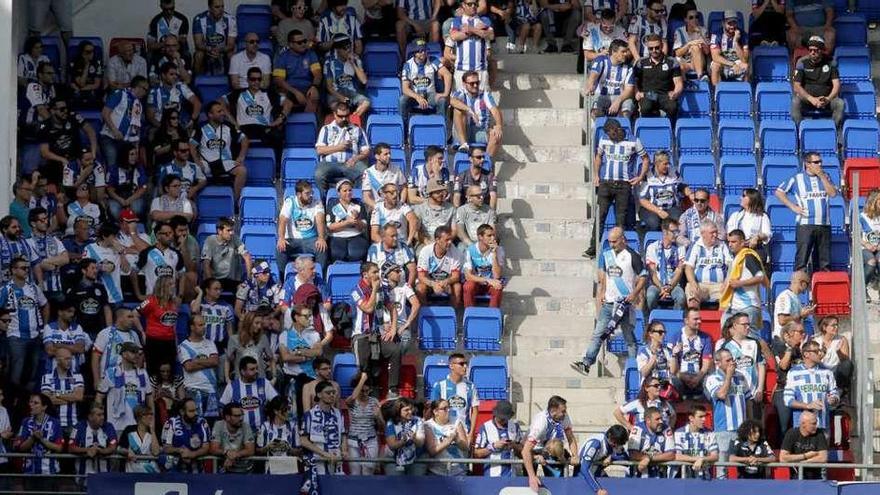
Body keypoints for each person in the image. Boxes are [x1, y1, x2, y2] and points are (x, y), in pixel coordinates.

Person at [573, 227, 646, 375]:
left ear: (622, 239)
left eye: (614, 241)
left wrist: (634, 293)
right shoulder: (607, 255)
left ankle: (635, 367)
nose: (611, 244)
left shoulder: (633, 255)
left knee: (628, 337)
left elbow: (643, 276)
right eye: (610, 241)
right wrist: (602, 292)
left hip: (624, 304)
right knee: (598, 334)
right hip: (609, 303)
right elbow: (605, 276)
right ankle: (586, 363)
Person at [585, 119, 648, 258]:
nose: (610, 136)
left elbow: (645, 159)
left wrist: (640, 177)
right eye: (608, 133)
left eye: (611, 132)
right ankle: (593, 248)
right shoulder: (604, 139)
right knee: (600, 216)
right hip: (606, 183)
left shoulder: (633, 140)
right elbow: (598, 156)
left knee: (621, 220)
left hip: (624, 185)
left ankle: (619, 250)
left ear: (617, 129)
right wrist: (596, 175)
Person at [775, 151, 838, 272]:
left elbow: (833, 193)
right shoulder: (797, 178)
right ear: (807, 164)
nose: (819, 164)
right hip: (805, 224)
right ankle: (799, 288)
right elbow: (779, 192)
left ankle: (821, 288)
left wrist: (822, 177)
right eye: (816, 162)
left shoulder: (826, 176)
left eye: (820, 162)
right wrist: (793, 207)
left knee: (824, 263)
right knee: (801, 261)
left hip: (824, 224)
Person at [0, 256, 49, 396]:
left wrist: (44, 326)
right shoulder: (6, 289)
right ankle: (12, 401)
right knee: (16, 371)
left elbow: (45, 304)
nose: (26, 270)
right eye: (23, 268)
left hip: (35, 336)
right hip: (15, 336)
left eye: (27, 268)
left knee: (32, 372)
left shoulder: (33, 288)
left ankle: (27, 403)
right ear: (13, 270)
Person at [350, 262, 402, 394]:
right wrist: (374, 289)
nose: (377, 274)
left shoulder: (382, 288)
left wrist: (393, 328)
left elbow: (392, 308)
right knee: (364, 369)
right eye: (374, 272)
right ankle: (364, 394)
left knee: (395, 350)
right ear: (365, 274)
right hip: (361, 335)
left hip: (377, 333)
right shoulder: (356, 290)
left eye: (378, 271)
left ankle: (392, 389)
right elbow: (368, 308)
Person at [189, 101, 250, 204]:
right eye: (219, 111)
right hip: (206, 164)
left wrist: (241, 156)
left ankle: (234, 203)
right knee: (192, 171)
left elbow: (245, 140)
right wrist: (197, 162)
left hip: (225, 162)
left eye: (222, 111)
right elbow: (191, 146)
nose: (223, 113)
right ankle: (194, 204)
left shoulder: (229, 126)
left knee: (242, 171)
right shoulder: (200, 128)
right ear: (210, 114)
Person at [705, 348, 752, 479]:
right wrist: (729, 376)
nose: (732, 362)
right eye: (728, 360)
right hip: (724, 429)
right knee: (722, 469)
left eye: (732, 359)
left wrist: (749, 424)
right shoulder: (712, 378)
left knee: (745, 467)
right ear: (718, 362)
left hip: (742, 430)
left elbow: (748, 401)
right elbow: (721, 394)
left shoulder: (741, 376)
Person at [224, 67, 291, 151]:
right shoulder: (238, 93)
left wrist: (279, 119)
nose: (256, 82)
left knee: (278, 136)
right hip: (243, 128)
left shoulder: (269, 93)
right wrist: (233, 122)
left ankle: (276, 163)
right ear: (247, 80)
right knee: (228, 135)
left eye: (259, 79)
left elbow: (288, 103)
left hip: (263, 128)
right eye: (253, 79)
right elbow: (220, 102)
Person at [314, 102, 372, 196]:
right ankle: (324, 202)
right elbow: (320, 150)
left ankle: (356, 201)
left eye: (346, 116)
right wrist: (339, 147)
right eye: (340, 116)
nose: (344, 119)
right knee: (318, 175)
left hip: (350, 162)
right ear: (334, 114)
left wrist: (355, 158)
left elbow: (366, 150)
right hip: (329, 163)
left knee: (364, 173)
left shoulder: (357, 129)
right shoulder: (326, 129)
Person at [279, 303, 327, 416]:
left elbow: (318, 352)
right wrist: (308, 356)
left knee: (312, 413)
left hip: (311, 378)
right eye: (306, 316)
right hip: (292, 378)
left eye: (310, 316)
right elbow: (285, 357)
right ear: (296, 317)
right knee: (293, 414)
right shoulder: (285, 335)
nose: (310, 319)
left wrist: (297, 352)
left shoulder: (314, 335)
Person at [96, 341, 153, 435]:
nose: (136, 355)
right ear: (124, 354)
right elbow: (99, 396)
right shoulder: (111, 373)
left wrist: (151, 421)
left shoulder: (143, 374)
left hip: (138, 426)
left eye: (137, 352)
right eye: (133, 352)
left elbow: (149, 399)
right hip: (116, 426)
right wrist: (98, 417)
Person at [38, 99, 98, 186]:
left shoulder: (73, 116)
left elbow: (90, 131)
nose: (65, 111)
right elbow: (44, 152)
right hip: (57, 161)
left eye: (67, 108)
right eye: (62, 109)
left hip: (77, 157)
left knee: (91, 164)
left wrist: (93, 153)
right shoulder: (45, 126)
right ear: (52, 111)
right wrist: (62, 160)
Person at [784, 339, 839, 433]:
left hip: (822, 425)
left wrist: (834, 399)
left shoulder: (827, 372)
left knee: (823, 447)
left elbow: (834, 393)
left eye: (821, 351)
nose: (820, 354)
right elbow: (788, 400)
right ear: (806, 354)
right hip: (801, 426)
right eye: (817, 351)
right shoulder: (794, 372)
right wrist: (808, 406)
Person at [276, 180, 329, 273]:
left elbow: (320, 220)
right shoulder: (290, 201)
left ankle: (319, 277)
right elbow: (282, 220)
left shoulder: (317, 202)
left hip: (311, 239)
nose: (310, 196)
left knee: (322, 248)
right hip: (292, 240)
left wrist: (321, 238)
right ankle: (281, 278)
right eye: (307, 193)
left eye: (311, 192)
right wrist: (281, 238)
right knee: (280, 249)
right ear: (299, 194)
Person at [720, 229, 768, 332]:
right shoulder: (735, 258)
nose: (730, 245)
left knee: (750, 338)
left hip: (748, 306)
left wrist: (739, 283)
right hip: (733, 307)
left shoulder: (748, 256)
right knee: (726, 335)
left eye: (734, 242)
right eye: (729, 242)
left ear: (742, 243)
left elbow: (760, 277)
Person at [791, 36, 843, 127]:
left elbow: (836, 85)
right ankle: (800, 130)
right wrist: (811, 99)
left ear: (821, 50)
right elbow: (796, 86)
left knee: (840, 103)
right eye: (810, 50)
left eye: (816, 50)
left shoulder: (831, 63)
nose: (812, 53)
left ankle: (833, 130)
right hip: (807, 99)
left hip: (825, 100)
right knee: (795, 102)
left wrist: (828, 99)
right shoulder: (802, 62)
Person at [99, 77, 149, 170]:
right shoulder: (120, 94)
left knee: (126, 167)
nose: (145, 93)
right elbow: (105, 113)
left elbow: (136, 127)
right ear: (138, 87)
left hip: (125, 141)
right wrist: (114, 130)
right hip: (109, 137)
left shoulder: (139, 105)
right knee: (112, 164)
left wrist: (136, 147)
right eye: (145, 89)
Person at [300, 381, 348, 475]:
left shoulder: (338, 414)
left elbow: (343, 435)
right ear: (319, 394)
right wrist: (324, 453)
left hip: (336, 460)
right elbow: (303, 441)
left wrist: (344, 450)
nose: (332, 395)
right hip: (318, 461)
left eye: (333, 393)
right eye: (328, 393)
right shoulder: (309, 415)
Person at [450, 71, 503, 157]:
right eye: (471, 83)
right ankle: (464, 145)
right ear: (464, 84)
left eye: (477, 83)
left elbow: (495, 110)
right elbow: (451, 101)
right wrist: (469, 110)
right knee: (458, 110)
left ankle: (486, 163)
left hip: (480, 130)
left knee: (496, 134)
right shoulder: (461, 93)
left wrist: (499, 126)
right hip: (464, 131)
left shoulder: (484, 94)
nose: (475, 85)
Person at [221, 356, 278, 432]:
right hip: (240, 432)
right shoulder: (232, 387)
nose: (256, 371)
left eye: (256, 368)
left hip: (261, 430)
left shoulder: (264, 383)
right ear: (243, 371)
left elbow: (277, 403)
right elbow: (222, 408)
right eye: (252, 369)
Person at [684, 219, 733, 309]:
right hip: (700, 285)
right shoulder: (696, 245)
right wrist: (693, 283)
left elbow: (731, 265)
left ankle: (722, 322)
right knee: (691, 291)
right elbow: (688, 268)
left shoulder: (722, 245)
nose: (715, 235)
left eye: (716, 232)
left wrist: (727, 281)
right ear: (703, 234)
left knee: (728, 296)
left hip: (720, 285)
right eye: (712, 232)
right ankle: (694, 320)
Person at [399, 38, 451, 122]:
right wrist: (418, 97)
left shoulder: (433, 60)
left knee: (442, 101)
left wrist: (445, 93)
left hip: (431, 95)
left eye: (425, 50)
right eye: (420, 51)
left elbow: (447, 75)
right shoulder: (408, 65)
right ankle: (404, 130)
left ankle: (441, 128)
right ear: (414, 53)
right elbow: (405, 89)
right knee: (402, 100)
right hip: (415, 97)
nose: (423, 53)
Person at [136, 275, 180, 375]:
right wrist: (142, 332)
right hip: (154, 342)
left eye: (174, 284)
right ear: (162, 286)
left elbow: (173, 325)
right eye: (170, 284)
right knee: (153, 373)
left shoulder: (174, 303)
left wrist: (176, 343)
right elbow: (134, 314)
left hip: (170, 342)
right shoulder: (151, 301)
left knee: (170, 373)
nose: (173, 286)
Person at [179, 315, 220, 420]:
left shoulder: (210, 343)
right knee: (196, 421)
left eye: (204, 324)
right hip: (194, 389)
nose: (204, 327)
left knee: (211, 423)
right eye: (200, 325)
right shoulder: (183, 346)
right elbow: (188, 367)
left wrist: (196, 361)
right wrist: (207, 361)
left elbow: (215, 362)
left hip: (211, 390)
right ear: (192, 327)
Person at [634, 34, 684, 119]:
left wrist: (675, 93)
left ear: (662, 46)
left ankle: (670, 129)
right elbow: (634, 81)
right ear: (647, 48)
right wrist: (637, 93)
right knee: (645, 108)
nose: (654, 50)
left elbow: (679, 83)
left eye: (657, 47)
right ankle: (656, 119)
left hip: (665, 95)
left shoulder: (672, 62)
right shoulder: (641, 62)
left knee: (673, 108)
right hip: (648, 95)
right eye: (651, 48)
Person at [272, 30, 322, 114]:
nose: (303, 44)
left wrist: (314, 86)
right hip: (289, 90)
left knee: (314, 95)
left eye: (304, 41)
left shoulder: (311, 54)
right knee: (282, 98)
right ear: (291, 44)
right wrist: (296, 93)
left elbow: (318, 74)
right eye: (299, 42)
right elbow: (279, 80)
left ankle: (308, 122)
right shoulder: (283, 57)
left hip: (307, 88)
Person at [14, 393, 63, 476]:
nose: (31, 405)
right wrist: (32, 438)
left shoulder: (55, 423)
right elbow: (20, 447)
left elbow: (59, 448)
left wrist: (41, 439)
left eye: (35, 403)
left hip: (49, 471)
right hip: (28, 471)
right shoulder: (25, 422)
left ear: (44, 407)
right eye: (30, 402)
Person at [585, 39, 635, 119]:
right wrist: (590, 86)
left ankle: (622, 128)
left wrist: (618, 101)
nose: (626, 54)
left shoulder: (628, 67)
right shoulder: (601, 60)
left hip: (619, 96)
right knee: (596, 110)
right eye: (623, 51)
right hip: (602, 95)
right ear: (614, 52)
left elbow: (629, 90)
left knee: (628, 105)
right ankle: (599, 128)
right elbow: (593, 75)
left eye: (626, 51)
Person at [639, 151, 689, 231]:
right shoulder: (648, 176)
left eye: (668, 163)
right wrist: (659, 211)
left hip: (672, 207)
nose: (668, 166)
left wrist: (690, 194)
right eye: (665, 164)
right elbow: (643, 200)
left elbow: (682, 186)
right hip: (653, 208)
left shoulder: (673, 172)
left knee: (677, 221)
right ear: (657, 163)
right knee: (653, 223)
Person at [771, 321, 806, 437]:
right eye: (800, 332)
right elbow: (783, 365)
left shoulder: (800, 349)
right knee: (784, 427)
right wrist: (790, 348)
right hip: (784, 389)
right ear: (788, 334)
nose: (803, 335)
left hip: (800, 390)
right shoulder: (779, 345)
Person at [449, 0, 494, 89]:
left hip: (480, 69)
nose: (473, 6)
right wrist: (478, 31)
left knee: (482, 101)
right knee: (461, 100)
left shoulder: (484, 20)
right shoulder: (457, 20)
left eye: (475, 4)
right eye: (470, 4)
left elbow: (491, 35)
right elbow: (454, 36)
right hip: (462, 69)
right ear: (463, 5)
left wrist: (470, 29)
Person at [91, 308, 143, 385]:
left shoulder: (134, 335)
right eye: (129, 317)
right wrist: (96, 379)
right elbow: (95, 357)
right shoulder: (106, 333)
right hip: (108, 379)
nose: (133, 320)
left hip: (128, 380)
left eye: (133, 317)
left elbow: (140, 355)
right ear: (120, 318)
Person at [324, 34, 371, 117]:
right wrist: (342, 98)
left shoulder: (356, 60)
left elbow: (364, 81)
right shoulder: (329, 62)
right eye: (345, 48)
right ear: (337, 49)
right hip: (336, 93)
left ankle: (353, 119)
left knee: (366, 103)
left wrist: (353, 63)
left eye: (349, 47)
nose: (348, 50)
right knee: (337, 107)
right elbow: (329, 87)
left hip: (353, 93)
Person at [572, 424, 629, 494]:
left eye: (619, 444)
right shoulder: (596, 443)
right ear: (610, 436)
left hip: (596, 475)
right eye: (615, 443)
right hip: (583, 478)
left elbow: (626, 457)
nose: (616, 446)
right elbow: (584, 468)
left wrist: (612, 457)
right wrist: (597, 489)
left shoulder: (614, 443)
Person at [28, 208, 69, 303]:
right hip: (36, 289)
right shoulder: (27, 242)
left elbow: (66, 259)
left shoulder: (55, 239)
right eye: (42, 220)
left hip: (56, 289)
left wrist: (44, 261)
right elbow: (34, 265)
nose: (46, 222)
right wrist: (54, 262)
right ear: (33, 223)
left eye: (47, 219)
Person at [644, 218, 685, 312]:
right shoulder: (652, 247)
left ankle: (675, 321)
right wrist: (661, 288)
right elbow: (652, 273)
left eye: (677, 231)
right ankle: (654, 321)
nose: (676, 234)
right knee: (650, 295)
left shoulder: (680, 248)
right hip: (656, 284)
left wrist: (669, 287)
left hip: (674, 285)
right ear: (665, 231)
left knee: (680, 297)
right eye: (673, 231)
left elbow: (679, 271)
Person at [416, 226, 463, 307]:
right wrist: (433, 284)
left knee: (457, 287)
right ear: (437, 240)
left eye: (451, 239)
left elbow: (456, 276)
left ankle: (453, 314)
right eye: (447, 240)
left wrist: (445, 282)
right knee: (420, 288)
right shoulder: (425, 251)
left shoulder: (455, 252)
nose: (450, 242)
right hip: (430, 283)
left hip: (446, 283)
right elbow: (421, 277)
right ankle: (426, 313)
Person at [474, 400, 524, 477]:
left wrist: (513, 445)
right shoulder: (485, 427)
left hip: (513, 476)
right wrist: (493, 446)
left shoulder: (515, 426)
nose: (503, 420)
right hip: (492, 476)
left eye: (505, 418)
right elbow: (477, 453)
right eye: (501, 417)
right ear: (495, 414)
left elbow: (523, 449)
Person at [161, 398, 212, 473]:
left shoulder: (202, 423)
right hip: (175, 470)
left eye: (196, 410)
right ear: (182, 412)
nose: (195, 413)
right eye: (191, 411)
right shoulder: (171, 423)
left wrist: (192, 454)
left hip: (197, 471)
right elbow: (166, 447)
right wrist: (180, 450)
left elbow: (206, 447)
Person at [201, 218, 251, 293]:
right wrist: (211, 283)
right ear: (219, 231)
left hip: (231, 280)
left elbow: (247, 257)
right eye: (228, 230)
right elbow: (206, 264)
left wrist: (249, 278)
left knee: (243, 290)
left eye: (232, 230)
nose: (231, 233)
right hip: (214, 279)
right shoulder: (210, 241)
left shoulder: (235, 239)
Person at [146, 62, 201, 130]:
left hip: (179, 125)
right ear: (163, 75)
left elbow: (197, 103)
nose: (175, 77)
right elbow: (150, 117)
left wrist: (192, 120)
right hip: (161, 126)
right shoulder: (154, 91)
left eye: (176, 74)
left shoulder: (181, 87)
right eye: (171, 74)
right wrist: (165, 129)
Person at [40, 346, 84, 430]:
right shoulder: (47, 377)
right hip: (53, 423)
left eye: (70, 359)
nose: (69, 362)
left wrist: (56, 394)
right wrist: (70, 398)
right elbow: (46, 400)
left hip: (72, 423)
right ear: (58, 360)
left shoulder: (78, 376)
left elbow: (78, 397)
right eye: (66, 359)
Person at [68, 403, 118, 478]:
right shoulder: (78, 427)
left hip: (104, 477)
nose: (102, 417)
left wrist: (100, 451)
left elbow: (113, 446)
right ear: (90, 416)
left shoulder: (108, 426)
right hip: (83, 477)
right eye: (99, 415)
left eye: (103, 414)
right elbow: (71, 447)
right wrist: (87, 450)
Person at [326, 179, 370, 263]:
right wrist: (347, 223)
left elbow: (363, 226)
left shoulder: (358, 204)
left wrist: (356, 221)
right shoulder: (332, 204)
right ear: (339, 193)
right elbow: (330, 227)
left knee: (357, 253)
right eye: (345, 191)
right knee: (337, 254)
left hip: (356, 236)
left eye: (350, 190)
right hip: (337, 237)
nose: (348, 193)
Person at [674, 308, 714, 397]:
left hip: (699, 376)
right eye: (695, 319)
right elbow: (673, 367)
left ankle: (707, 408)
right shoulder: (676, 337)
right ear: (686, 321)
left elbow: (706, 364)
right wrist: (683, 377)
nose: (699, 321)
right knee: (673, 381)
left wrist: (698, 378)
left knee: (711, 380)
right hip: (681, 377)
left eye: (700, 319)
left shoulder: (706, 338)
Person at [462, 224, 505, 307]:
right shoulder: (470, 250)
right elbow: (468, 276)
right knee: (468, 286)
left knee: (498, 287)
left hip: (491, 283)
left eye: (493, 235)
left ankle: (492, 316)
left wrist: (494, 254)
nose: (493, 238)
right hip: (476, 281)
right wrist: (487, 280)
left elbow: (497, 276)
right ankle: (470, 314)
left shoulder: (499, 250)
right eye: (489, 236)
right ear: (480, 237)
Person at [424, 398, 469, 475]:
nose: (448, 410)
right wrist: (448, 440)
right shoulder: (428, 425)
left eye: (448, 407)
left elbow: (466, 447)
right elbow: (432, 451)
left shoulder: (456, 422)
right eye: (444, 409)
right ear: (435, 412)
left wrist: (457, 440)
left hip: (458, 469)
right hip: (436, 471)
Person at [42, 300, 89, 374]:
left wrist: (60, 345)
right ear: (60, 312)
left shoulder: (77, 327)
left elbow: (80, 349)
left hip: (74, 372)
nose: (72, 314)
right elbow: (49, 351)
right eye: (69, 311)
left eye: (73, 312)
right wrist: (72, 348)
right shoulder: (49, 327)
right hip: (52, 372)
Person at [192, 0, 238, 75]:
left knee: (231, 55)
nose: (221, 10)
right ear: (209, 8)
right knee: (199, 55)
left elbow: (231, 44)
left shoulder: (231, 19)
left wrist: (220, 50)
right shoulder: (199, 19)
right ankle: (197, 82)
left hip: (224, 50)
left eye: (222, 6)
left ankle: (231, 82)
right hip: (206, 50)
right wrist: (209, 49)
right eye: (217, 7)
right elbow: (198, 44)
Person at [726, 188, 772, 264]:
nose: (741, 198)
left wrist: (757, 237)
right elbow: (729, 234)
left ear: (752, 199)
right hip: (738, 249)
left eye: (744, 196)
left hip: (755, 249)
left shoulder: (762, 216)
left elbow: (767, 234)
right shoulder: (735, 216)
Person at [627, 406, 675, 478]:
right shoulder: (637, 429)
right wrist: (655, 457)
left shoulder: (666, 428)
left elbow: (671, 455)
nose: (661, 421)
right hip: (638, 476)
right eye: (657, 419)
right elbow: (633, 454)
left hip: (660, 476)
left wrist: (649, 458)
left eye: (661, 418)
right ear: (648, 420)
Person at [257, 395, 300, 474]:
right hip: (271, 470)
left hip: (290, 470)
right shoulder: (265, 427)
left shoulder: (293, 426)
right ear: (276, 411)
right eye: (285, 410)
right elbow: (258, 451)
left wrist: (288, 448)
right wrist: (268, 447)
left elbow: (299, 451)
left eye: (289, 409)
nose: (288, 412)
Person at [779, 410, 828, 480]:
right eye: (813, 424)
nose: (816, 426)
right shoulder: (791, 433)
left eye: (816, 423)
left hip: (815, 477)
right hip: (796, 477)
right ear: (803, 424)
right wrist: (806, 455)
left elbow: (823, 458)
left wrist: (802, 463)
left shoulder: (819, 433)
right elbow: (783, 458)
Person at [673, 404, 718, 479]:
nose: (704, 419)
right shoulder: (679, 433)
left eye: (705, 416)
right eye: (700, 417)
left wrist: (702, 459)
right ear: (691, 418)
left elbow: (715, 456)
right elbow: (677, 456)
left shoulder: (710, 433)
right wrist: (697, 459)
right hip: (683, 478)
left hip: (704, 479)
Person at [158, 139, 206, 209]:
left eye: (188, 150)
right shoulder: (166, 168)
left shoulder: (194, 167)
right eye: (183, 151)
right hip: (171, 203)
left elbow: (203, 181)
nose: (186, 153)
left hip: (188, 202)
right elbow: (160, 189)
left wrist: (195, 188)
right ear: (175, 152)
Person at [226, 312, 274, 381]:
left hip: (260, 380)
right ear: (249, 323)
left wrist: (274, 377)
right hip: (240, 381)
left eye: (261, 323)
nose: (259, 326)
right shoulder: (234, 339)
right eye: (257, 323)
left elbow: (271, 359)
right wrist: (227, 378)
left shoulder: (263, 338)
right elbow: (227, 360)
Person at [383, 397, 426, 475]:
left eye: (411, 409)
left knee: (416, 483)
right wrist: (403, 441)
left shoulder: (418, 421)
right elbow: (392, 445)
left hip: (416, 457)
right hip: (393, 458)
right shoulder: (391, 423)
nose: (410, 412)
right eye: (406, 410)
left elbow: (421, 443)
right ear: (398, 411)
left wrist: (414, 439)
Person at [210, 402, 256, 473]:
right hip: (225, 469)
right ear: (227, 417)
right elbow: (213, 449)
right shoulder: (218, 425)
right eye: (237, 416)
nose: (241, 418)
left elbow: (250, 450)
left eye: (241, 415)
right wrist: (227, 452)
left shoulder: (245, 426)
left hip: (245, 470)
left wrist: (234, 455)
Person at [106, 143, 149, 220]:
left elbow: (143, 187)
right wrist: (121, 200)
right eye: (132, 154)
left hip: (134, 197)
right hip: (117, 198)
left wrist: (129, 200)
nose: (135, 157)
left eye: (136, 154)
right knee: (114, 211)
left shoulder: (139, 168)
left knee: (137, 208)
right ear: (124, 155)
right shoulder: (113, 169)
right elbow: (110, 190)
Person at [813, 315, 852, 395]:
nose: (836, 327)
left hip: (835, 372)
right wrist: (822, 354)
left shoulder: (841, 339)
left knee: (847, 364)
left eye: (837, 325)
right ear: (824, 327)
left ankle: (840, 389)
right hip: (821, 371)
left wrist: (839, 352)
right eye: (833, 325)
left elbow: (845, 361)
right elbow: (812, 360)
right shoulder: (816, 340)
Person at [709, 10, 750, 85]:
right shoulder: (716, 34)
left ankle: (744, 93)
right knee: (715, 65)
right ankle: (716, 93)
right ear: (723, 23)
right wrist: (732, 64)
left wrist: (736, 42)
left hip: (737, 63)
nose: (732, 26)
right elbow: (715, 57)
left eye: (734, 23)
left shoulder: (743, 35)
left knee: (746, 66)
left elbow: (745, 60)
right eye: (729, 23)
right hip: (723, 63)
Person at [362, 143, 408, 209]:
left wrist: (401, 203)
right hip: (378, 207)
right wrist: (377, 207)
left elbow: (404, 188)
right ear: (377, 156)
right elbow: (366, 197)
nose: (389, 156)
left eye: (389, 154)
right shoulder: (368, 172)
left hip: (395, 207)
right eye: (385, 154)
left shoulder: (396, 169)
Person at [118, 405, 162, 473]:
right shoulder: (129, 430)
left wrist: (152, 431)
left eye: (151, 414)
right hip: (132, 473)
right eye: (146, 414)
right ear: (138, 417)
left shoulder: (155, 433)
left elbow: (156, 452)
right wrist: (127, 452)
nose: (150, 417)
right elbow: (120, 448)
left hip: (151, 473)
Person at [671, 6, 709, 81]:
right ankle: (685, 88)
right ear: (685, 19)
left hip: (700, 62)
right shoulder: (679, 31)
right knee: (679, 67)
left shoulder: (703, 30)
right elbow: (677, 53)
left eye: (696, 17)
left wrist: (700, 34)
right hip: (686, 63)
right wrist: (689, 44)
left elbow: (707, 52)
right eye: (691, 17)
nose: (694, 20)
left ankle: (700, 76)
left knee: (695, 47)